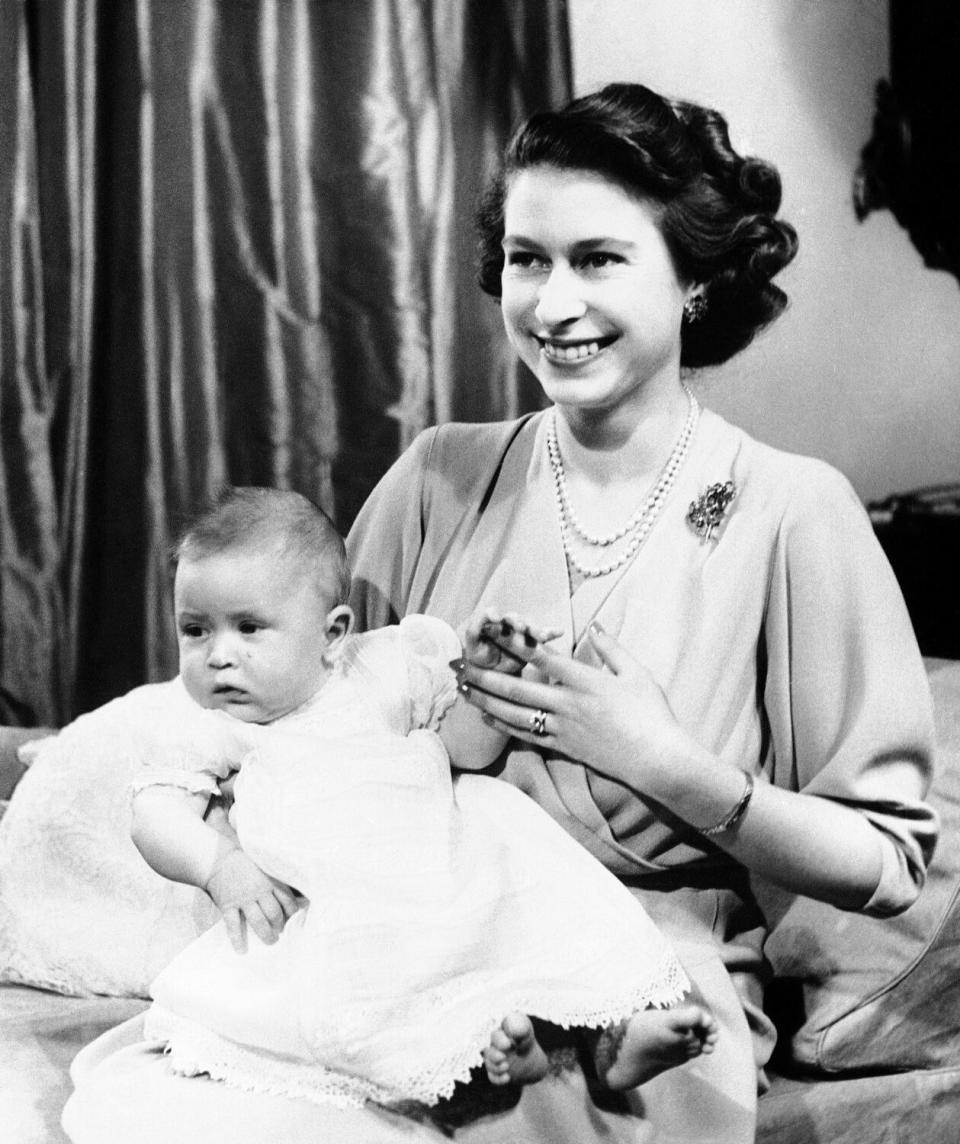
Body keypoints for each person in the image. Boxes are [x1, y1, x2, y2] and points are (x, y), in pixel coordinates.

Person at [63, 83, 937, 1144]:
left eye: (599, 259)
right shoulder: (440, 472)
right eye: (529, 259)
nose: (553, 305)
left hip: (633, 985)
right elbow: (303, 719)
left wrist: (660, 760)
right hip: (398, 951)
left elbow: (888, 863)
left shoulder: (792, 510)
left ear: (697, 278)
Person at [121, 486, 717, 1111]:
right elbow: (155, 814)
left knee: (545, 910)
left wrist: (485, 674)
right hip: (344, 899)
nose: (219, 656)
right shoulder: (210, 721)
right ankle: (505, 1056)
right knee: (370, 999)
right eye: (195, 630)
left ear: (333, 632)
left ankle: (611, 1035)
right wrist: (221, 865)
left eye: (249, 628)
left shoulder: (379, 669)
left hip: (452, 860)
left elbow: (470, 750)